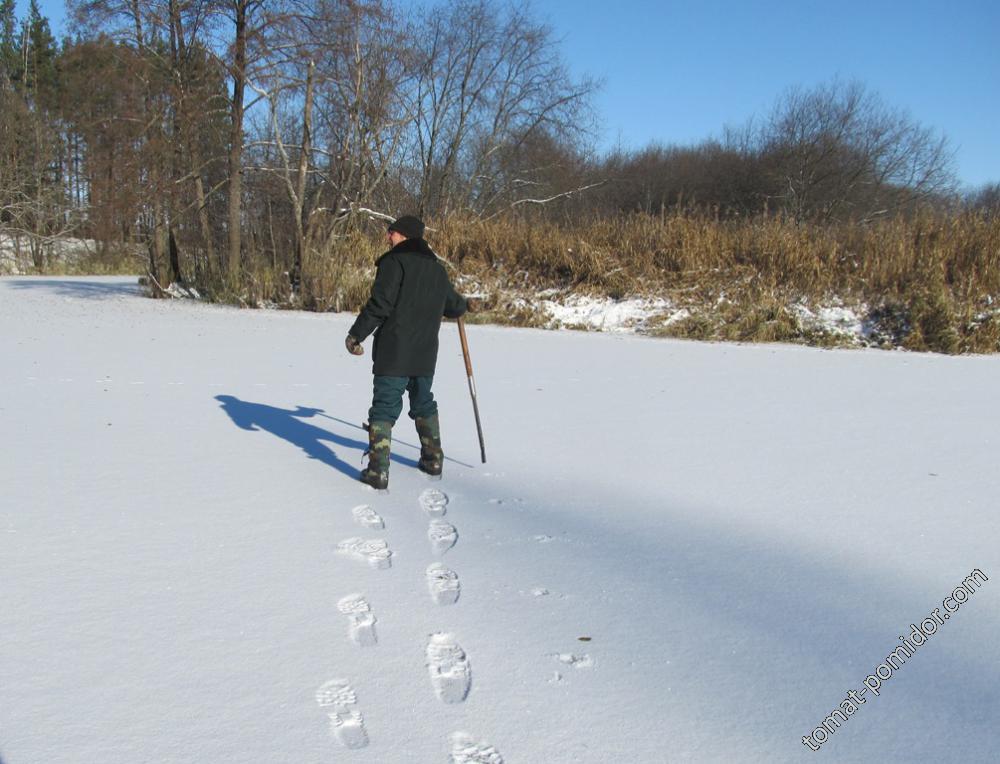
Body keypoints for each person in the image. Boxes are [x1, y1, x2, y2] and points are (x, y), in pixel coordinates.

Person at [345, 215, 475, 490]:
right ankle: (433, 460)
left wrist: (357, 334)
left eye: (391, 232)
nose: (388, 237)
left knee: (384, 407)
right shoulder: (437, 270)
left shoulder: (394, 263)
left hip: (394, 352)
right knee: (423, 403)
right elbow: (452, 305)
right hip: (425, 354)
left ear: (404, 235)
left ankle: (378, 471)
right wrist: (464, 304)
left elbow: (380, 304)